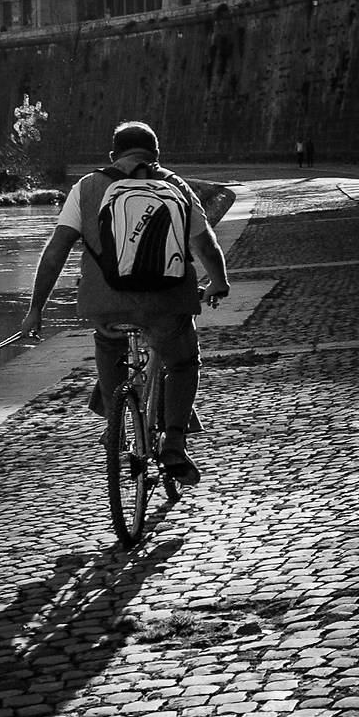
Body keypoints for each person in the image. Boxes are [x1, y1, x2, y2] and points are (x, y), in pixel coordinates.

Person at [22, 120, 230, 485]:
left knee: (108, 343)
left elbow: (56, 252)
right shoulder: (175, 186)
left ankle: (116, 426)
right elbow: (206, 245)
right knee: (182, 362)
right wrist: (219, 281)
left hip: (105, 304)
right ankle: (174, 442)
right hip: (167, 304)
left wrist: (35, 309)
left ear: (112, 156)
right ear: (156, 155)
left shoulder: (86, 187)